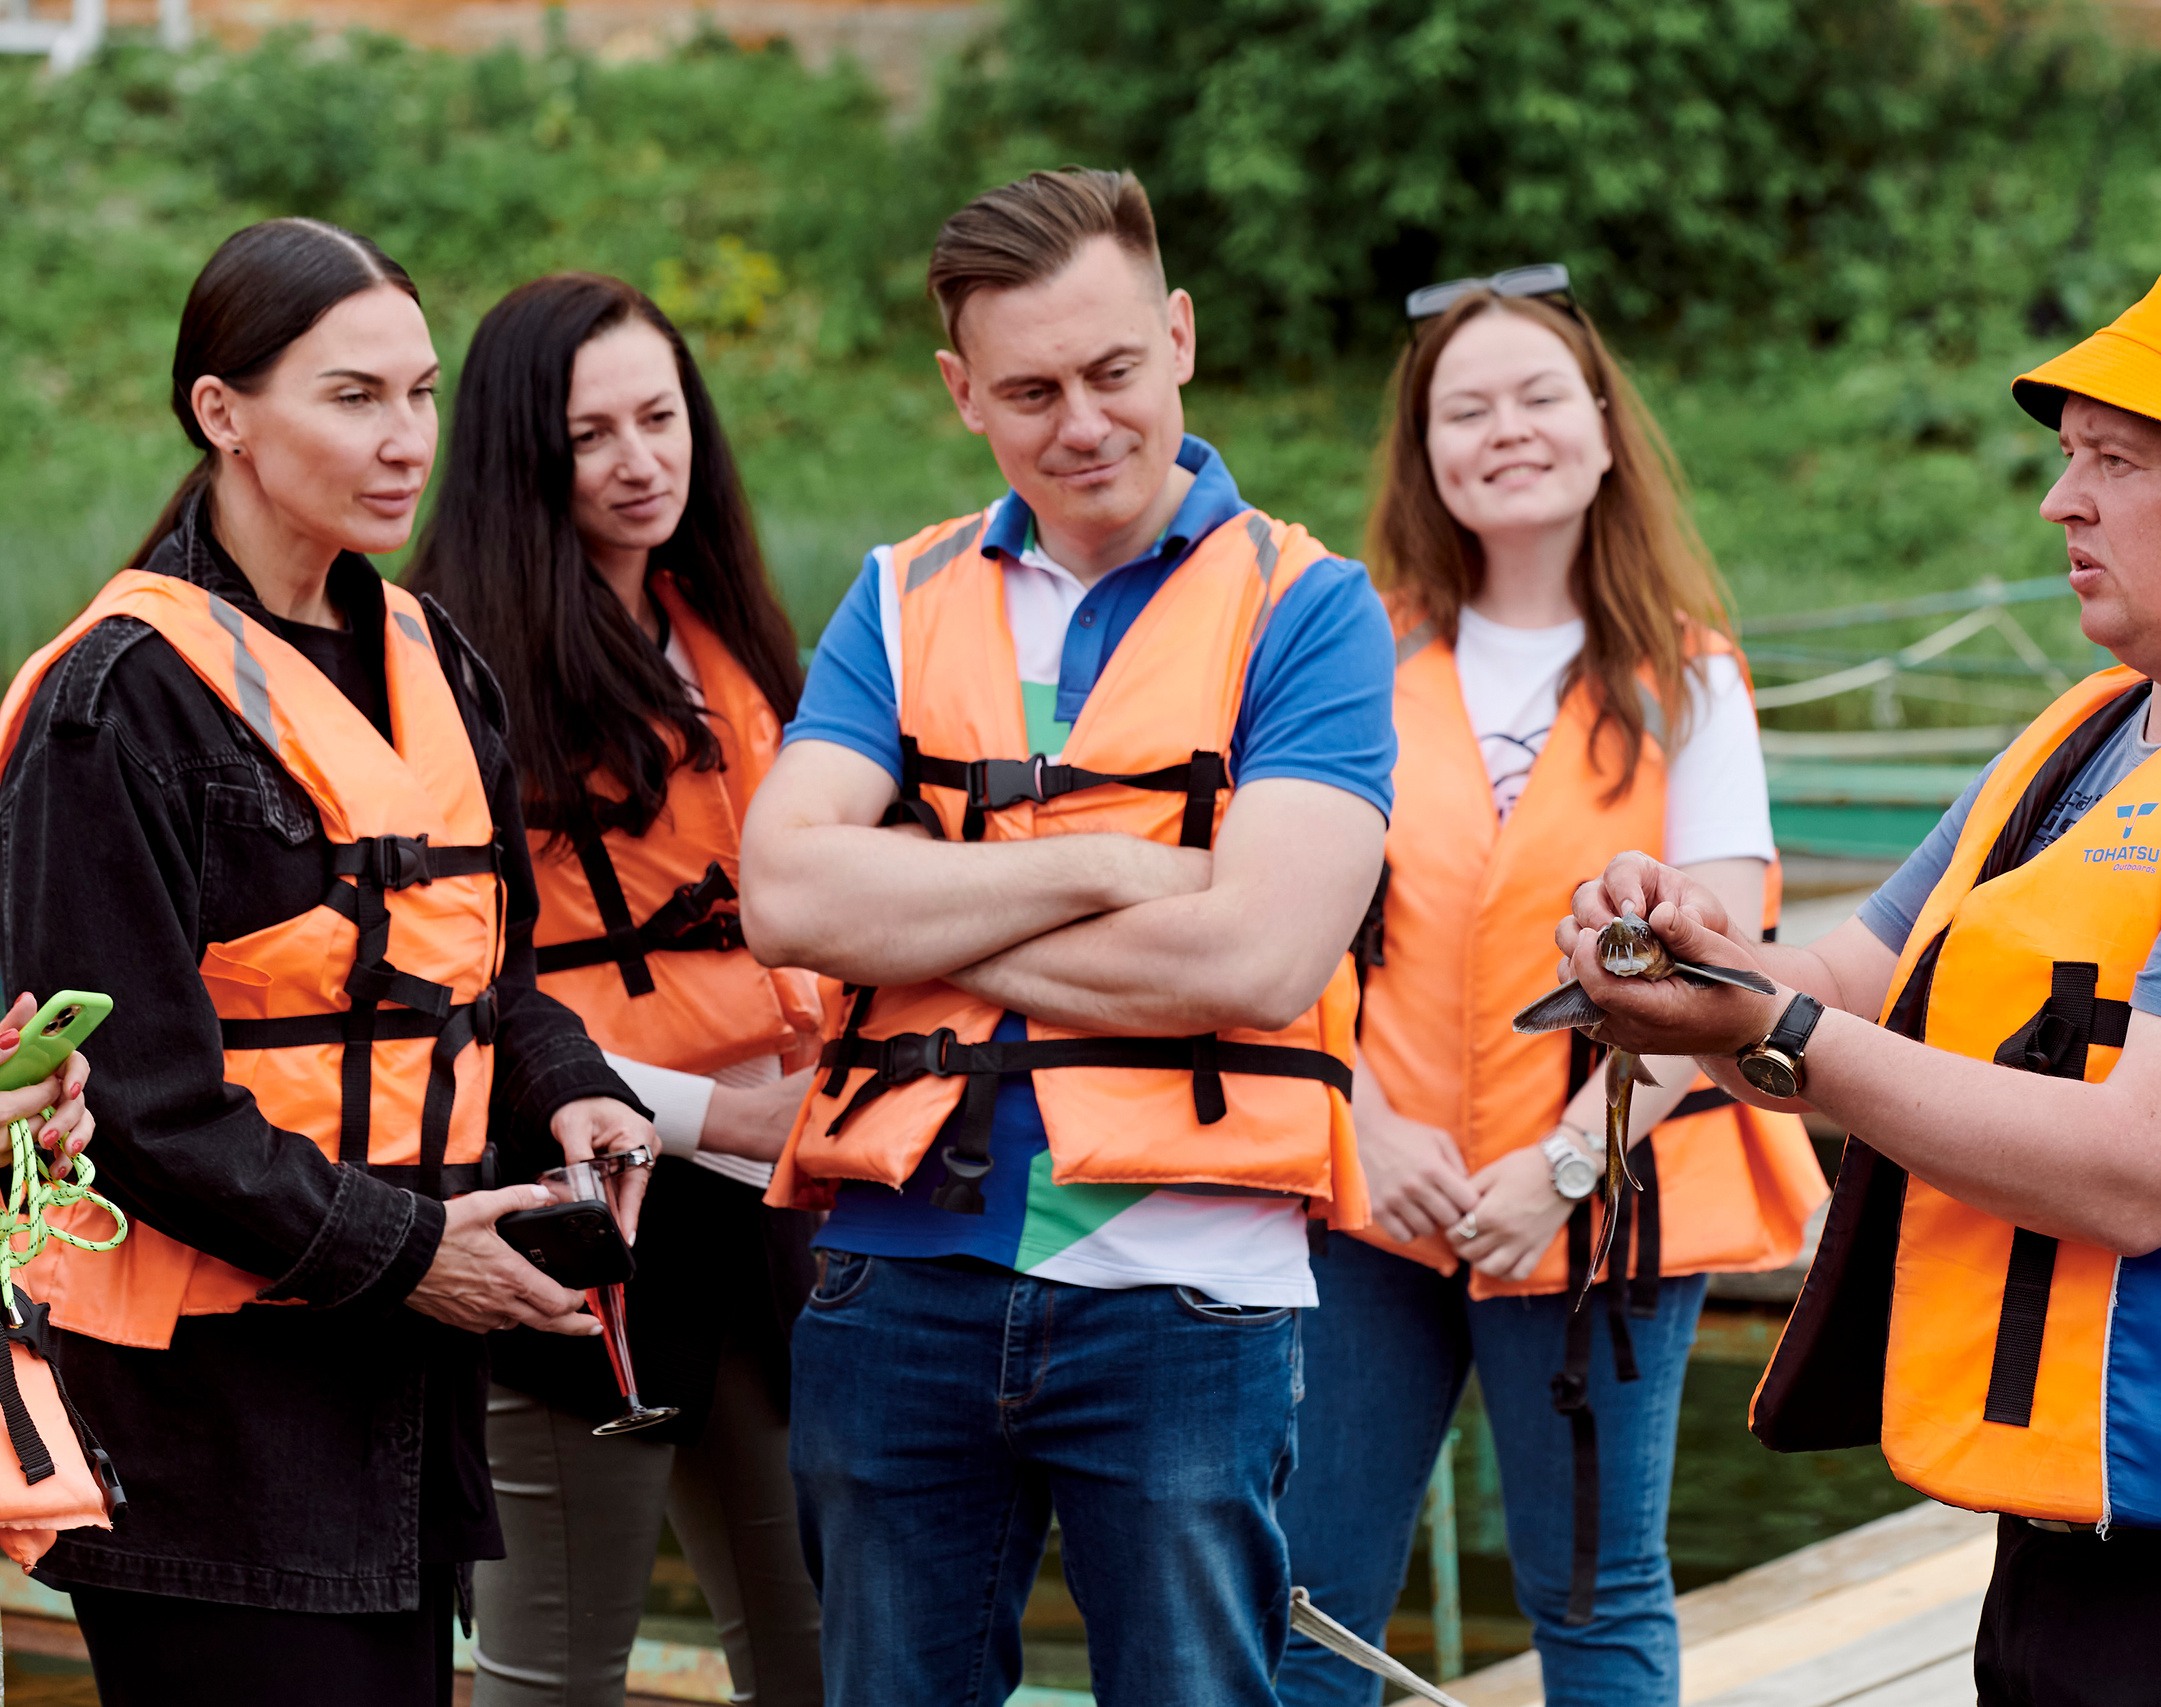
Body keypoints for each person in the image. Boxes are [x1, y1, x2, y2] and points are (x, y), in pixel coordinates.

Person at [1559, 242, 2161, 1707]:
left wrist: (1767, 1032)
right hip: (2082, 1538)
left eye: (2115, 459)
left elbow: (2138, 1170)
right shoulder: (2095, 732)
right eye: (2072, 456)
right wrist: (1695, 963)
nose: (2059, 499)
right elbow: (1835, 986)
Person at [739, 167, 1395, 1707]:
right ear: (963, 393)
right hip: (892, 1281)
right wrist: (1126, 864)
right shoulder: (898, 596)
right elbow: (784, 898)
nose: (1083, 423)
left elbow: (1258, 961)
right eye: (1030, 390)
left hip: (1187, 1286)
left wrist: (921, 903)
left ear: (1178, 335)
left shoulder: (1311, 607)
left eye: (1113, 371)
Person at [0, 218, 656, 1707]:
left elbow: (490, 976)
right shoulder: (117, 704)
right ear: (222, 414)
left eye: (421, 394)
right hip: (201, 1434)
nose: (406, 440)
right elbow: (142, 1108)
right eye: (352, 397)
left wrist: (573, 1085)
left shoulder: (439, 657)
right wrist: (421, 1256)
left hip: (403, 1408)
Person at [1274, 272, 1825, 1707]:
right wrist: (1367, 1123)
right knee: (1310, 1597)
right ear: (1427, 452)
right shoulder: (1350, 655)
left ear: (1599, 425)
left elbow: (1727, 971)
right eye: (1466, 408)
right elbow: (1290, 925)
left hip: (1607, 1203)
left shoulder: (1689, 681)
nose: (1504, 430)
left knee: (1594, 1593)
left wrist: (1569, 1162)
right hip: (1370, 1194)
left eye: (1536, 396)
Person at [408, 273, 826, 1707]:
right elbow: (455, 999)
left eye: (662, 418)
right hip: (583, 1200)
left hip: (770, 1214)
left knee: (819, 1642)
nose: (641, 461)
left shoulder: (725, 635)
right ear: (526, 451)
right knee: (551, 1672)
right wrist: (722, 1110)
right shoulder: (448, 668)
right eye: (593, 435)